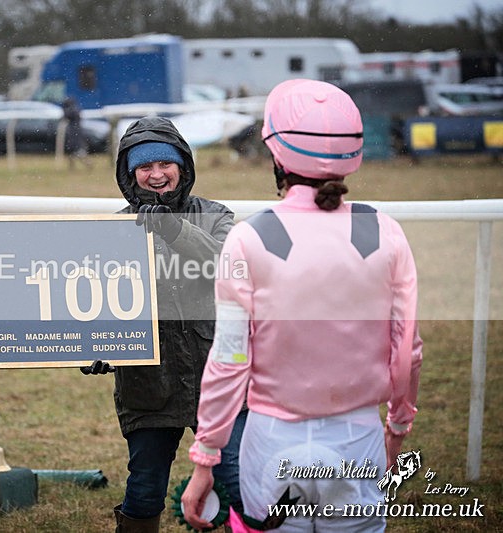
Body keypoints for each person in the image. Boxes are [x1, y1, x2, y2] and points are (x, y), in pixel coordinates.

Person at [181, 79, 423, 532]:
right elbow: (406, 348)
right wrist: (398, 427)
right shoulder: (385, 231)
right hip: (357, 437)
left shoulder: (248, 238)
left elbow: (229, 359)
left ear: (277, 157)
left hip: (272, 440)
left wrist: (206, 455)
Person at [82, 116, 247, 532]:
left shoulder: (215, 216)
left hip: (217, 380)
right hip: (147, 386)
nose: (156, 175)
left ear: (183, 167)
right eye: (144, 167)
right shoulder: (113, 230)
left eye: (165, 164)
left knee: (238, 483)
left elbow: (226, 266)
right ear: (129, 173)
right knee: (144, 490)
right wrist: (93, 348)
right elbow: (91, 302)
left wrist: (173, 230)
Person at [61, 97, 91, 169]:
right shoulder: (75, 109)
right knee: (73, 151)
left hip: (74, 133)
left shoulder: (72, 110)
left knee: (78, 151)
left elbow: (66, 116)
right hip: (75, 132)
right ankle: (72, 166)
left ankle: (88, 163)